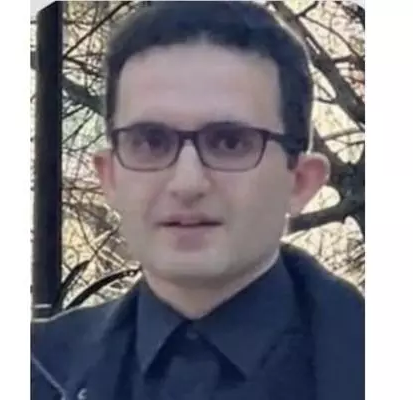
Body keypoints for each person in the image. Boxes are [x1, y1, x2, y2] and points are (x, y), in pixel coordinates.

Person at [31, 2, 364, 400]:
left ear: (300, 182)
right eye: (151, 142)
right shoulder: (36, 370)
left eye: (229, 142)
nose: (187, 183)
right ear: (110, 177)